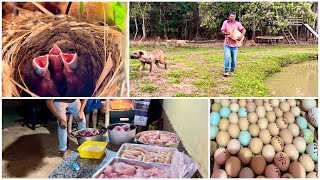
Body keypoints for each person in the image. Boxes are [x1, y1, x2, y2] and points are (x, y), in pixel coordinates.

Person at [220, 11, 246, 77]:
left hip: (235, 45)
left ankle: (232, 70)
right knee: (227, 57)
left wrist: (241, 36)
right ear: (229, 16)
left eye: (234, 17)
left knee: (234, 59)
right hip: (227, 44)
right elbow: (222, 30)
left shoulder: (237, 23)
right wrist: (227, 33)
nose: (232, 18)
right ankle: (226, 71)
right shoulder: (225, 22)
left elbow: (244, 30)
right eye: (231, 16)